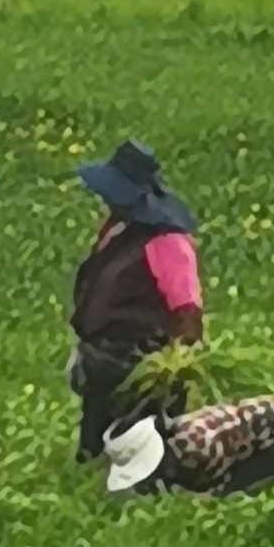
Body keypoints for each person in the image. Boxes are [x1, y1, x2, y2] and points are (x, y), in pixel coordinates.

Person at [68, 139, 204, 461]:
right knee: (94, 447)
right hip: (103, 359)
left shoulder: (168, 243)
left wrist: (179, 365)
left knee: (139, 447)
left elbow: (186, 308)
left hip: (139, 364)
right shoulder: (118, 228)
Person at [103, 396, 274, 501]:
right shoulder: (176, 430)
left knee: (233, 491)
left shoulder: (195, 455)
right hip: (272, 410)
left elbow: (210, 490)